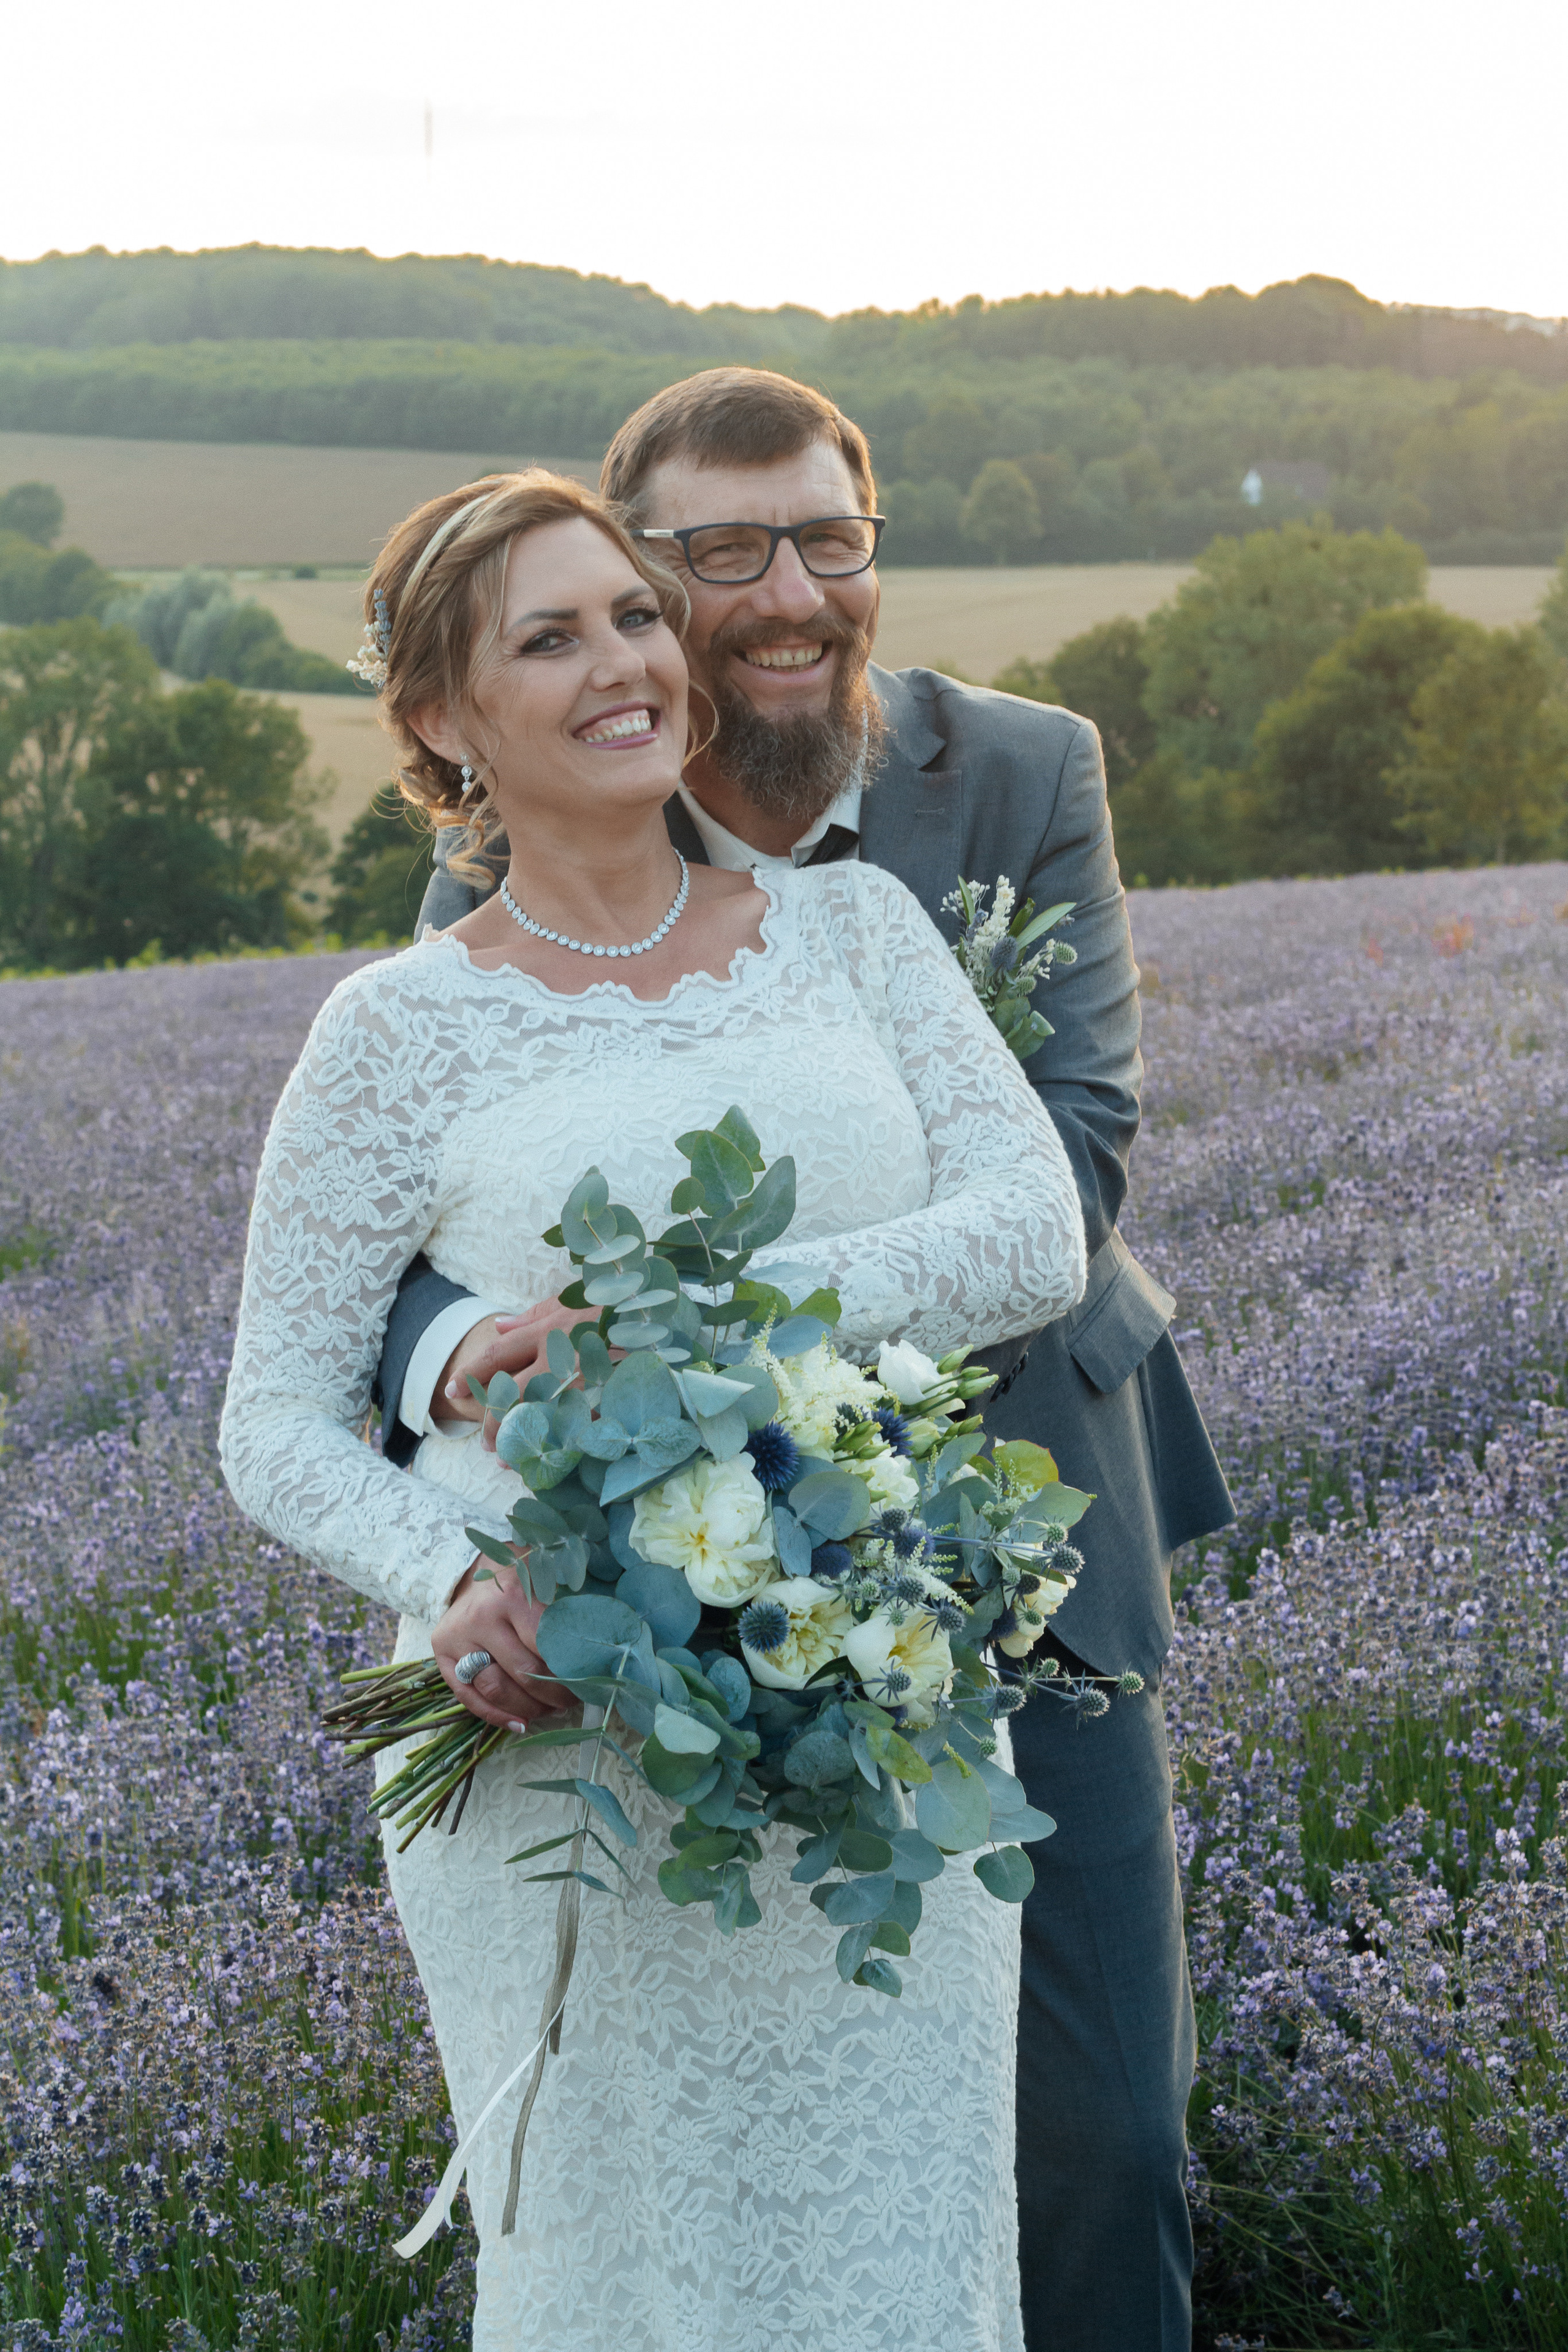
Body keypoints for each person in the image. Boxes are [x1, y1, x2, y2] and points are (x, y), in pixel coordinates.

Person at [379, 368, 1235, 2352]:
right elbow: (423, 1260)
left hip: (1020, 1531)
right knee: (780, 2147)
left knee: (1100, 2132)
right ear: (635, 583)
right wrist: (459, 1372)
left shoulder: (1020, 768)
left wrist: (682, 1335)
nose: (789, 591)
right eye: (720, 551)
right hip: (683, 1594)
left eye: (831, 540)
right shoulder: (537, 826)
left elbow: (1075, 1156)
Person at [219, 467, 1091, 2351]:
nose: (625, 662)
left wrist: (698, 1321)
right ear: (446, 722)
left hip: (882, 1727)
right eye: (550, 637)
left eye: (630, 614)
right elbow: (272, 1417)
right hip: (563, 1754)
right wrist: (462, 1584)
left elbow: (1035, 1236)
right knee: (621, 2270)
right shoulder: (395, 1029)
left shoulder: (856, 936)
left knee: (901, 2257)